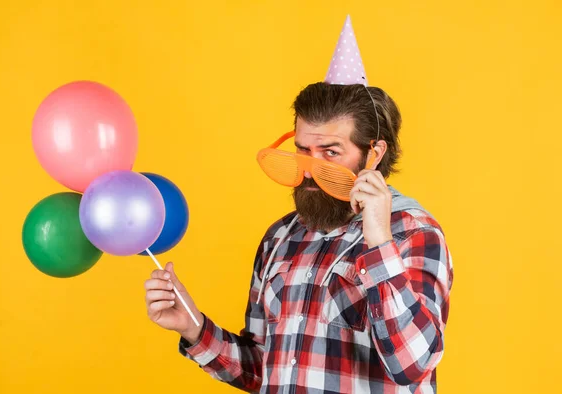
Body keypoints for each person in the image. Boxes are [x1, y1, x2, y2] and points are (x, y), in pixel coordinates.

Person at [144, 16, 453, 394]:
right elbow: (264, 371)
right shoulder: (281, 236)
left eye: (330, 153)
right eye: (303, 150)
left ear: (374, 153)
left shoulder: (414, 233)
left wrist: (378, 242)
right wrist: (193, 328)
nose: (309, 169)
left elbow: (412, 365)